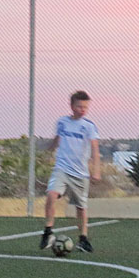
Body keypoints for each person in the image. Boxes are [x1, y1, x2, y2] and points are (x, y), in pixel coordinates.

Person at [40, 91, 101, 253]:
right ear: (72, 106)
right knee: (51, 195)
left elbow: (95, 149)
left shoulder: (88, 126)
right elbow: (57, 139)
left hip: (80, 173)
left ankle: (83, 239)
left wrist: (96, 170)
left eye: (85, 107)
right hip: (62, 168)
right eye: (79, 106)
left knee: (81, 207)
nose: (83, 110)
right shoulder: (62, 122)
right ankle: (48, 232)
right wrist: (48, 151)